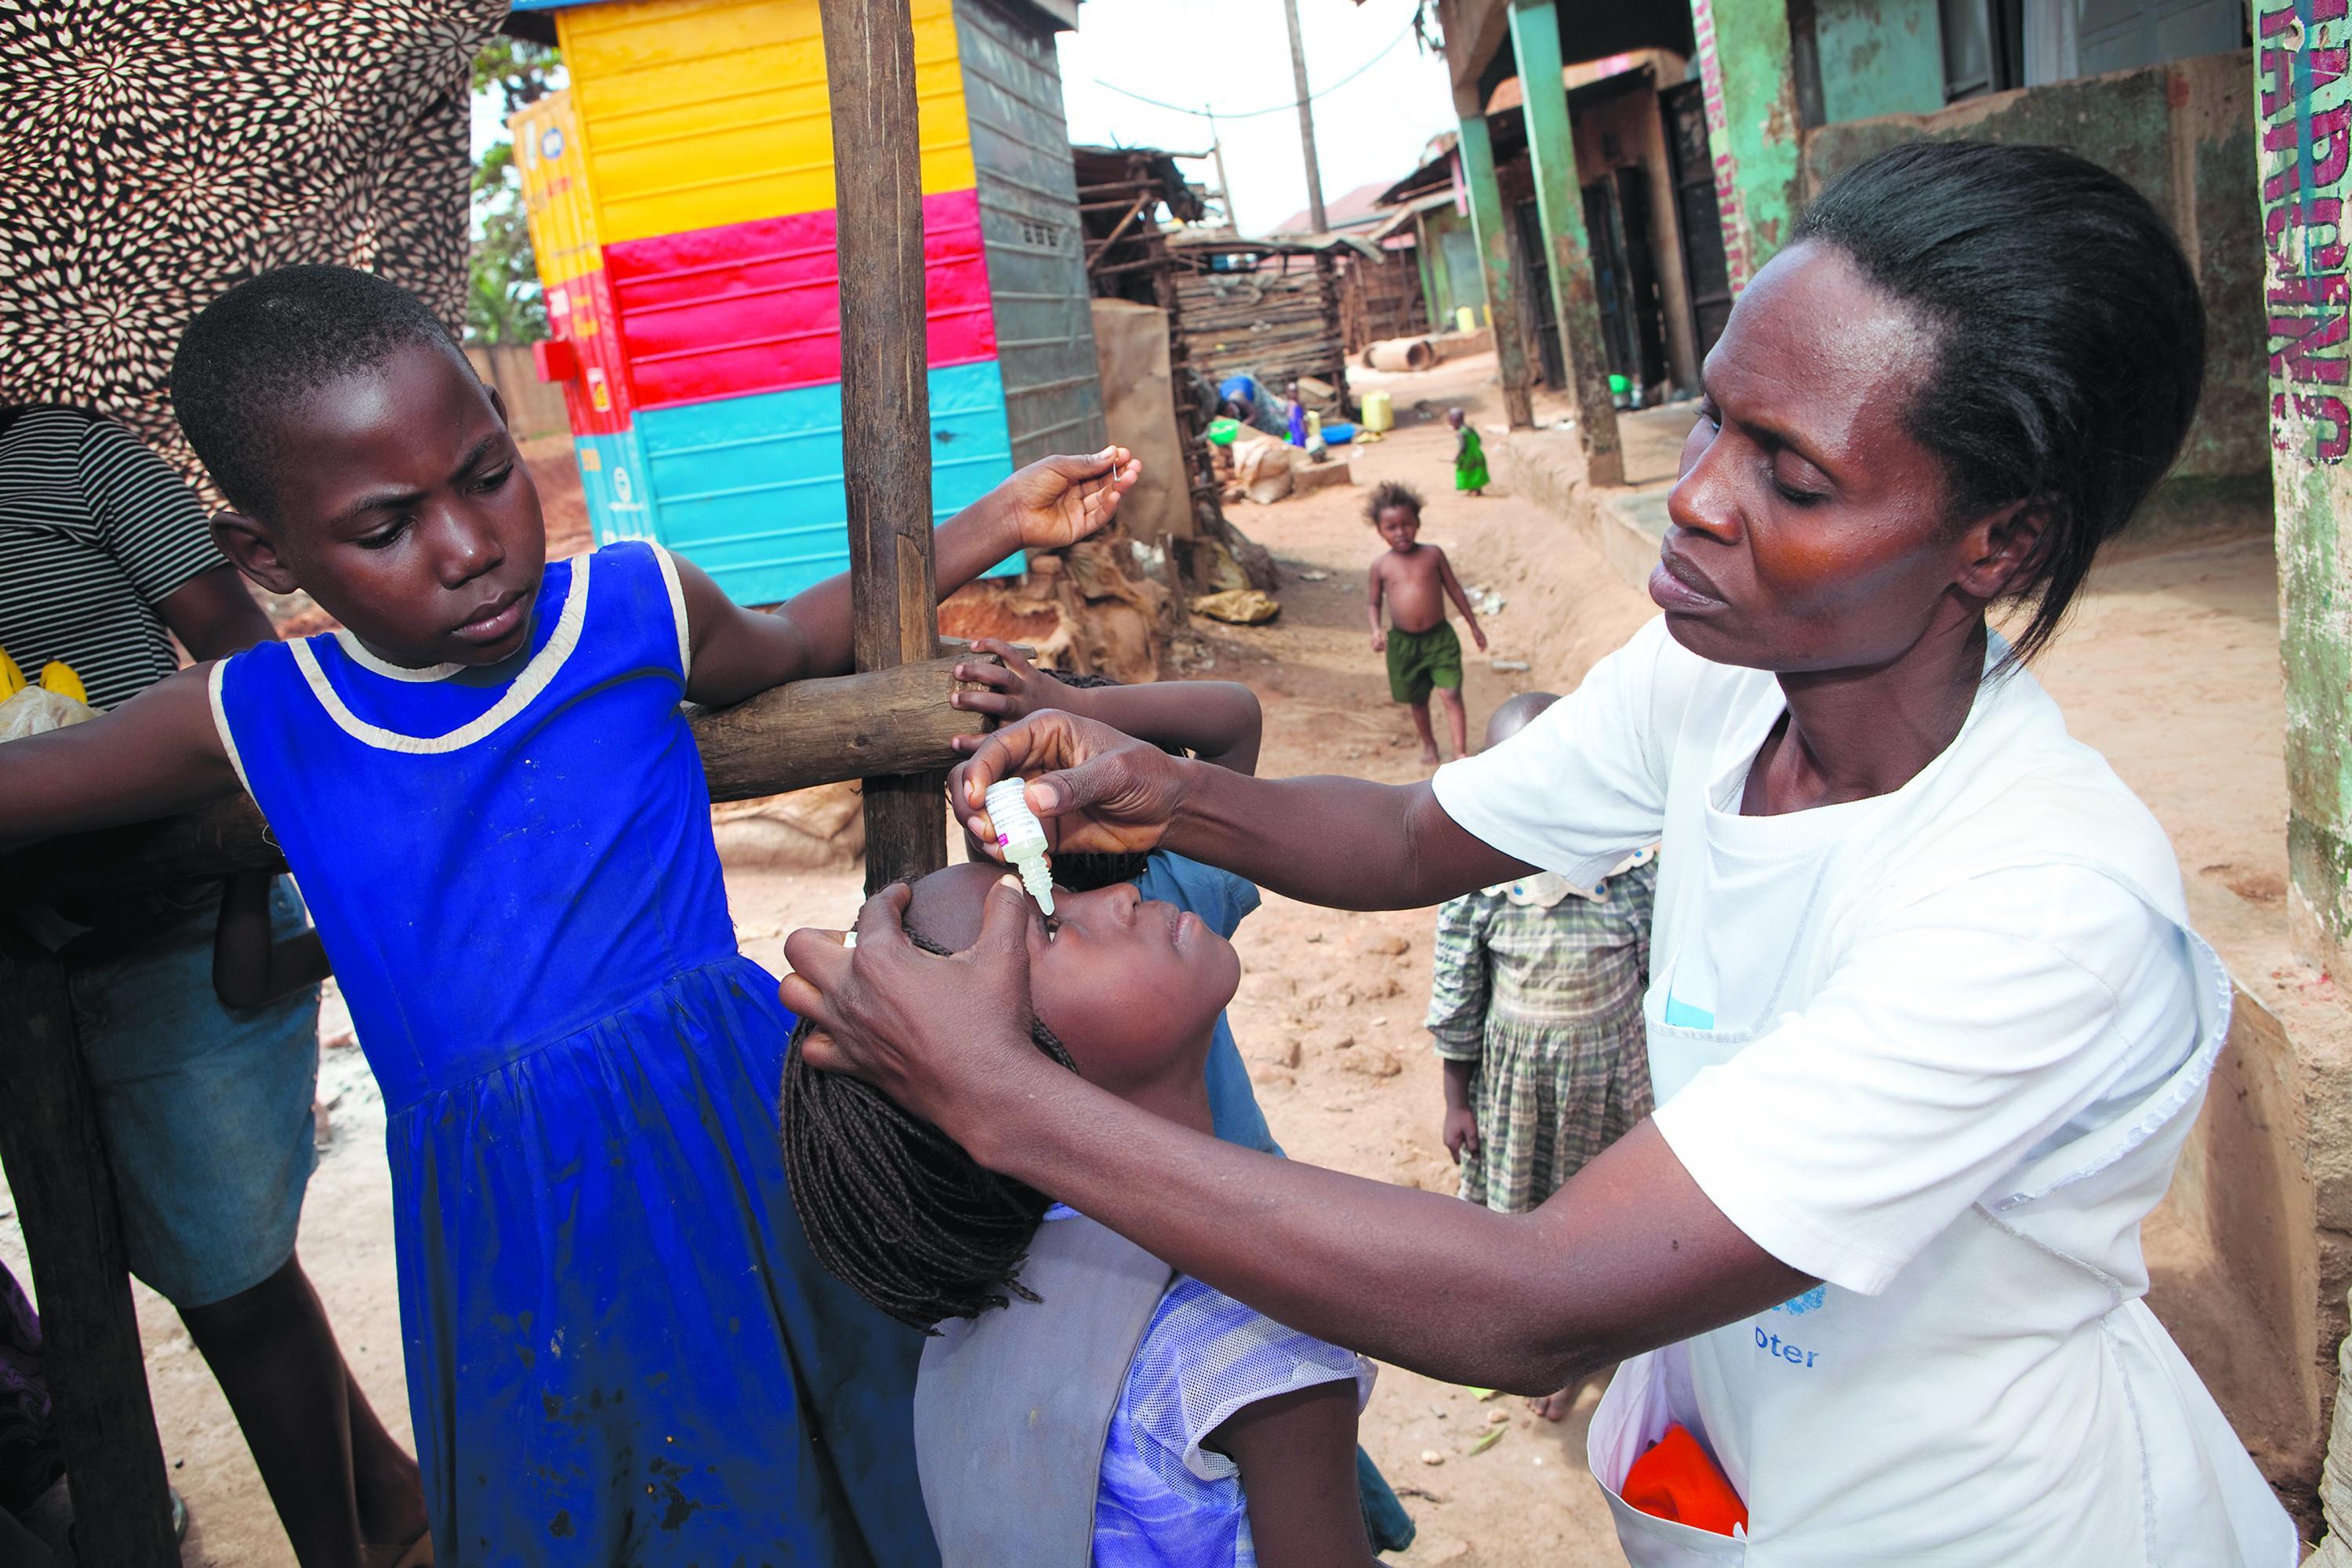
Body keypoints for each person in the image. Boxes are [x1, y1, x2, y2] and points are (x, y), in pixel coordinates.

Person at [782, 143, 2297, 1565]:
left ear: (2001, 545)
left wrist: (1003, 1101)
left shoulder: (2041, 906)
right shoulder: (1721, 679)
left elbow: (1538, 1301)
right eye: (1714, 417)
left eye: (1796, 475)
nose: (1698, 495)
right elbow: (1411, 831)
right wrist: (1169, 797)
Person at [0, 263, 1140, 1564]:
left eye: (486, 476)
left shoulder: (631, 607)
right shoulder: (266, 716)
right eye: (385, 528)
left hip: (734, 1128)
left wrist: (993, 518)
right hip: (513, 1216)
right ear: (265, 555)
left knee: (847, 1450)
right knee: (603, 1490)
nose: (469, 546)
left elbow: (795, 636)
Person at [0, 400, 424, 1568]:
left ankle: (353, 1547)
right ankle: (389, 1504)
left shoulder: (71, 462)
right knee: (205, 1268)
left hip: (181, 907)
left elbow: (244, 663)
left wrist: (253, 863)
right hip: (30, 950)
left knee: (227, 1280)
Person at [945, 646, 1418, 1552]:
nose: (1114, 906)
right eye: (1041, 930)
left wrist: (1064, 706)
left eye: (1079, 768)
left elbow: (1234, 716)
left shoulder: (1169, 881)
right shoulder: (1233, 1335)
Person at [785, 862, 1381, 1568]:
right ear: (985, 1068)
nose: (1122, 894)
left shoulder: (977, 1305)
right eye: (1055, 927)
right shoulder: (1249, 1321)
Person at [1429, 691, 1657, 1421]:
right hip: (1517, 1091)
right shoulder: (1479, 886)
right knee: (1519, 1220)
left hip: (1613, 1089)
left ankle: (1581, 1348)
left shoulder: (1633, 871)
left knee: (1601, 1221)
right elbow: (1459, 993)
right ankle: (1528, 1341)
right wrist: (1455, 1099)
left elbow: (1661, 980)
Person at [1364, 481, 1486, 764]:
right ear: (1380, 531)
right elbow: (1373, 602)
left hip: (1439, 638)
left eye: (1407, 524)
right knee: (1417, 699)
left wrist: (1473, 625)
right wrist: (1375, 629)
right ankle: (1429, 744)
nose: (1400, 532)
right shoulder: (1381, 566)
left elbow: (1455, 590)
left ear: (1418, 522)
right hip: (1404, 645)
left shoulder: (1433, 555)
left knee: (1451, 692)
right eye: (1391, 527)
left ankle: (1459, 751)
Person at [1448, 408, 1486, 497]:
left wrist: (1457, 457)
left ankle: (1472, 489)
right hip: (1478, 455)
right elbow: (1479, 440)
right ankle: (1477, 489)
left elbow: (1462, 446)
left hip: (1467, 457)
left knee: (1467, 472)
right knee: (1476, 472)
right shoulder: (1471, 429)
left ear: (1455, 420)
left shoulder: (1461, 433)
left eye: (1451, 421)